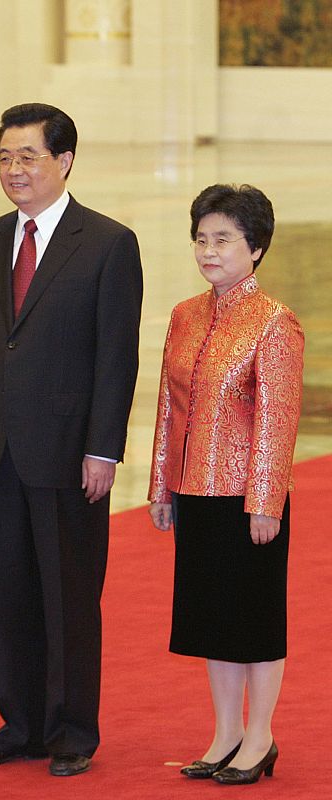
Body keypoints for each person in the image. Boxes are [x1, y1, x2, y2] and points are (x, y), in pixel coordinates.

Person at [0, 103, 143, 777]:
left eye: (27, 157)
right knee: (9, 593)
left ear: (64, 162)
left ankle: (70, 731)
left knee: (68, 596)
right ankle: (20, 723)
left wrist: (104, 448)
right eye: (4, 157)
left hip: (69, 453)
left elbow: (116, 357)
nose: (13, 170)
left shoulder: (108, 243)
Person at [148, 184, 304, 785]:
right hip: (197, 491)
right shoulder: (186, 315)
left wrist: (267, 501)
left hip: (249, 499)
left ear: (256, 249)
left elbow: (278, 417)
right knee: (212, 616)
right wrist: (163, 486)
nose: (208, 251)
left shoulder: (274, 322)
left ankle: (260, 736)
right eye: (201, 239)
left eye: (224, 240)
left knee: (254, 619)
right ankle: (225, 733)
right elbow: (170, 407)